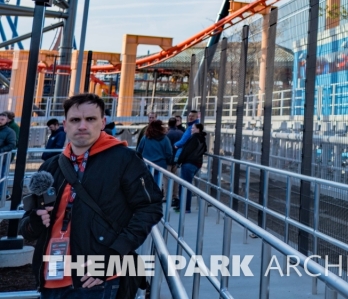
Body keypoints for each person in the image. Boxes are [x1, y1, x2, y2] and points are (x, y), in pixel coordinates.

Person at [19, 93, 163, 298]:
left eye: (91, 119)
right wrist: (35, 220)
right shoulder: (51, 166)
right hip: (50, 278)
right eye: (75, 120)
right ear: (65, 124)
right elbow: (27, 228)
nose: (82, 126)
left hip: (96, 281)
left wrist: (114, 255)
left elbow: (150, 207)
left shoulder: (124, 160)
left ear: (103, 122)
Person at [176, 122, 207, 214]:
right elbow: (204, 150)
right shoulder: (202, 138)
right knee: (187, 185)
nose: (191, 130)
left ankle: (185, 207)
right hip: (197, 164)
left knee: (185, 186)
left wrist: (179, 161)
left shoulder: (193, 138)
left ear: (198, 129)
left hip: (188, 163)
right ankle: (184, 207)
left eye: (193, 128)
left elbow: (186, 150)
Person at [135, 120, 173, 191]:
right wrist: (169, 162)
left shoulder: (145, 138)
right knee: (157, 183)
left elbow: (138, 151)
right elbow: (169, 153)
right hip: (160, 165)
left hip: (147, 164)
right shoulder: (165, 139)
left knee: (146, 184)